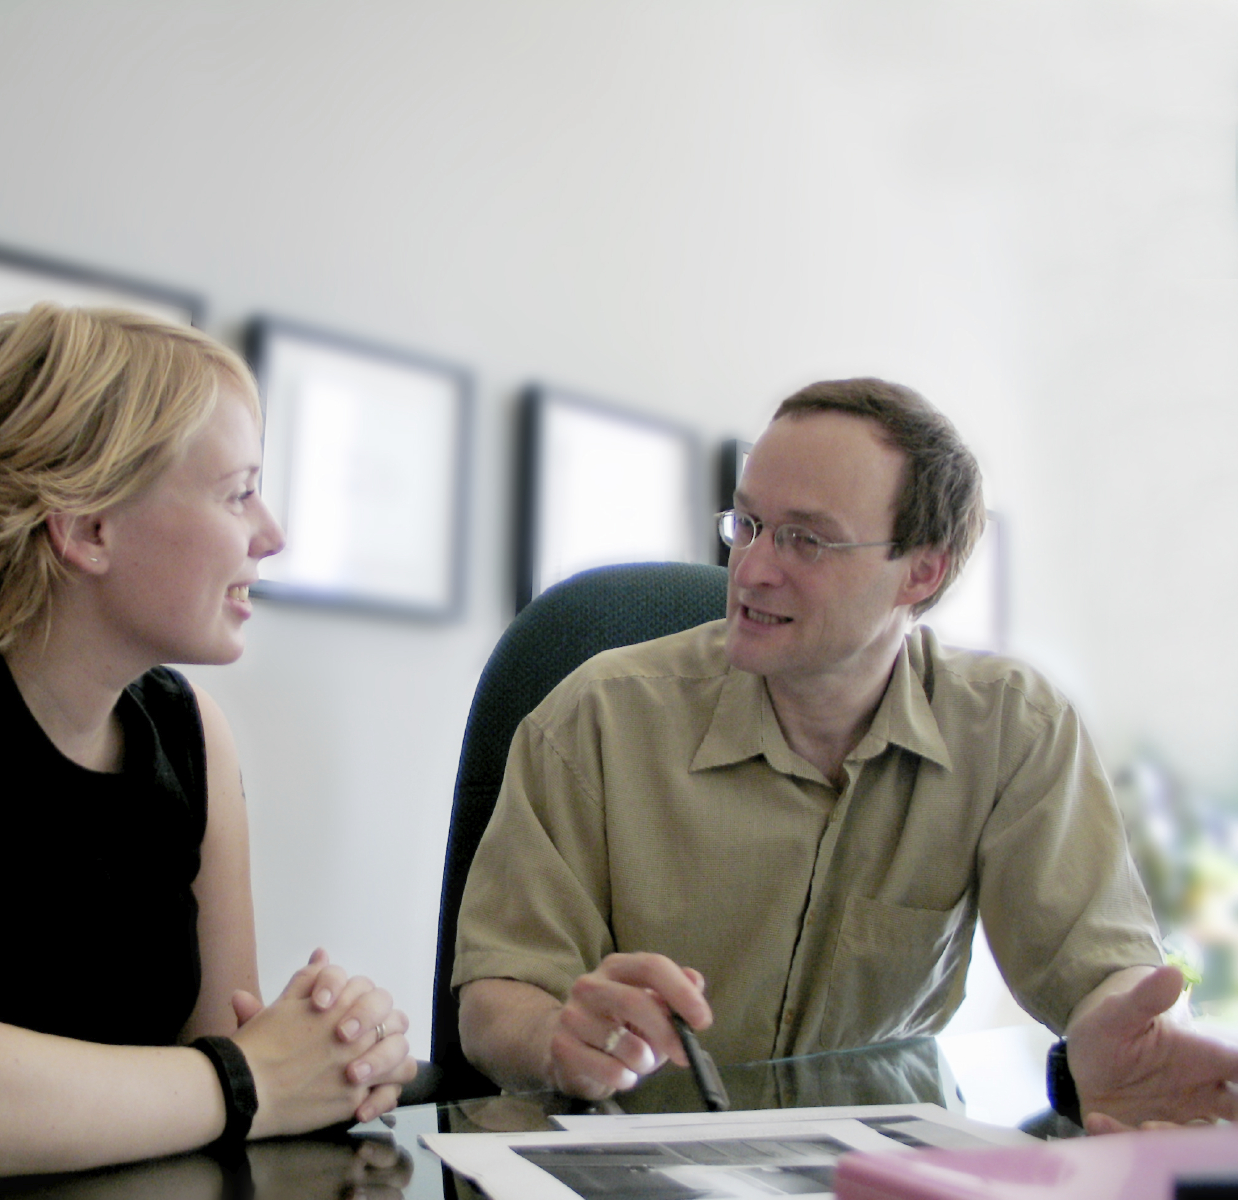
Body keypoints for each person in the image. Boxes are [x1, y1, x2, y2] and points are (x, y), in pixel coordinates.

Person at [0, 305, 416, 1197]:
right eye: (238, 492)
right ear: (88, 528)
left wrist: (331, 1056)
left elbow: (240, 1074)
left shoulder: (196, 734)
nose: (271, 532)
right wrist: (250, 1080)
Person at [453, 377, 1238, 1131]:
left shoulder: (1010, 728)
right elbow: (496, 997)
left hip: (880, 1162)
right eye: (748, 524)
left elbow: (1103, 970)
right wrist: (557, 1036)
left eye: (806, 539)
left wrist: (1128, 1038)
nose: (752, 568)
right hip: (632, 1163)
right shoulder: (598, 717)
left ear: (921, 571)